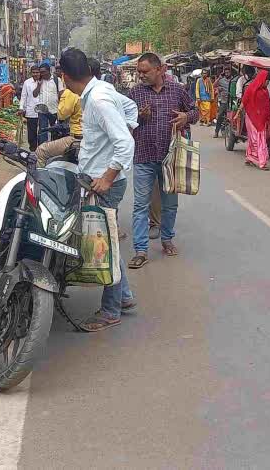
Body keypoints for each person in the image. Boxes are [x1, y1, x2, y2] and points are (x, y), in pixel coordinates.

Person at [59, 48, 136, 332]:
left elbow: (126, 143)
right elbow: (130, 109)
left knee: (102, 246)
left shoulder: (100, 99)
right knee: (108, 243)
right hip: (96, 179)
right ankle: (124, 297)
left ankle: (110, 309)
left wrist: (108, 174)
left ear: (64, 76)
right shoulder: (102, 91)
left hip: (105, 184)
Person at [129, 52, 197, 268]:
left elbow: (195, 111)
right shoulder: (135, 93)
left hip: (171, 157)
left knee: (170, 204)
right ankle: (141, 250)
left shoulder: (177, 90)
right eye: (139, 72)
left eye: (145, 71)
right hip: (144, 156)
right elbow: (125, 122)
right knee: (141, 205)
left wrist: (186, 117)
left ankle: (167, 239)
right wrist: (140, 117)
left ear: (160, 70)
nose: (141, 75)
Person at [35, 65, 84, 166]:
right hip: (92, 138)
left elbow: (62, 115)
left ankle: (39, 180)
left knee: (41, 151)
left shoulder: (70, 92)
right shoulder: (98, 91)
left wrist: (63, 99)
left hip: (76, 137)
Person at [242, 68, 270, 170]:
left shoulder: (265, 91)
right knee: (258, 139)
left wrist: (269, 118)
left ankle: (250, 157)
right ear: (263, 79)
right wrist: (237, 113)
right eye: (267, 81)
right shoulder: (251, 89)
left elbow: (267, 106)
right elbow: (244, 101)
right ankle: (262, 162)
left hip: (261, 118)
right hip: (251, 117)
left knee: (255, 138)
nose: (267, 84)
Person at [19, 66, 41, 151]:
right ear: (31, 73)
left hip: (42, 112)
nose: (35, 74)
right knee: (31, 134)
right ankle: (32, 150)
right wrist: (21, 108)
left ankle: (41, 150)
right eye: (34, 72)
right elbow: (23, 96)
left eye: (37, 72)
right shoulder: (27, 83)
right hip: (31, 112)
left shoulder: (43, 82)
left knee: (42, 133)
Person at [213, 67, 232, 138]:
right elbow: (213, 85)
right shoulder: (221, 80)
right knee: (220, 115)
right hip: (223, 101)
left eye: (228, 73)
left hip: (231, 101)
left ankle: (226, 131)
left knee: (230, 117)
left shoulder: (233, 80)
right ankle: (216, 131)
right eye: (226, 73)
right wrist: (219, 78)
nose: (227, 74)